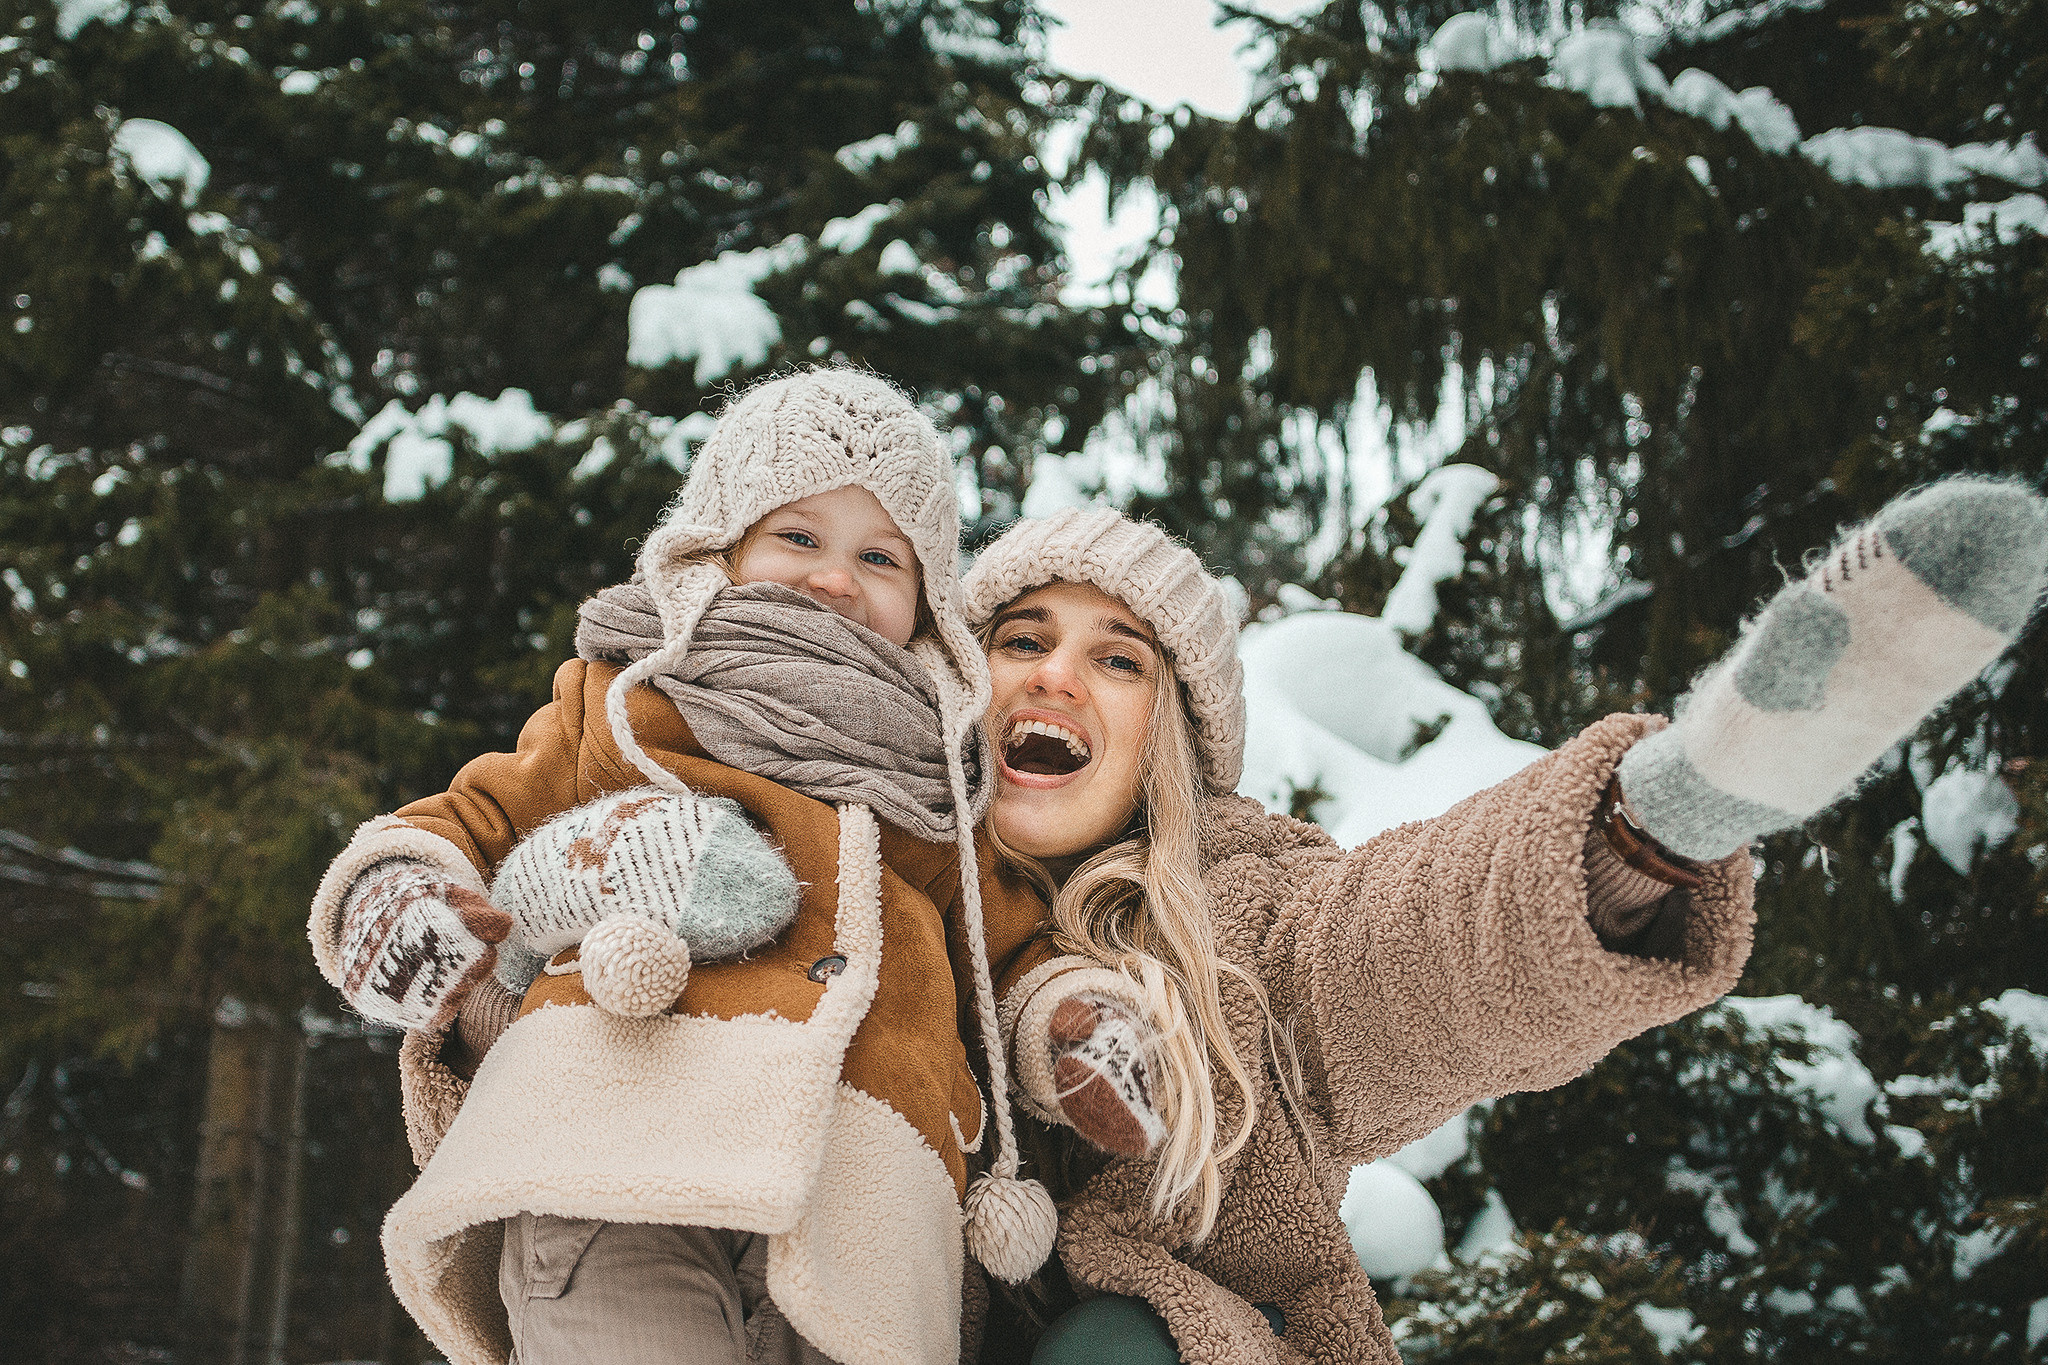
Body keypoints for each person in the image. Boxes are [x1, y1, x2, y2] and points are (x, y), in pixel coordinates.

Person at [958, 482, 2048, 1364]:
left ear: (1175, 738)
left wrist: (1649, 825)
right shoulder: (856, 868)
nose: (1055, 673)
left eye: (1117, 659)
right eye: (1021, 639)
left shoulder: (1239, 926)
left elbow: (1397, 955)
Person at [306, 368, 1059, 1365]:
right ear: (721, 548)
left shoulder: (935, 782)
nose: (836, 577)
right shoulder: (628, 701)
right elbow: (477, 813)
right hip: (619, 1141)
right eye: (797, 537)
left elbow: (1011, 950)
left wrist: (1072, 1022)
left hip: (857, 1208)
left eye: (879, 555)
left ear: (925, 605)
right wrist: (403, 889)